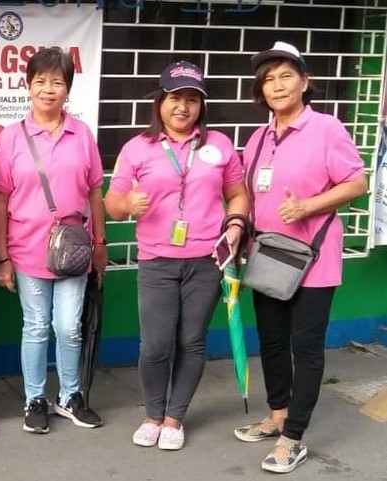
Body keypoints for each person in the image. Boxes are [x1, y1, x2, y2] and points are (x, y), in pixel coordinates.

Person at [233, 42, 367, 474]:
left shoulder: (326, 128)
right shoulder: (258, 136)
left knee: (304, 348)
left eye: (286, 75)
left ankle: (294, 438)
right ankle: (277, 415)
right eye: (268, 79)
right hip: (268, 258)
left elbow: (356, 182)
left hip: (313, 260)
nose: (277, 84)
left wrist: (308, 206)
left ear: (305, 82)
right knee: (271, 341)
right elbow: (249, 193)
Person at [104, 61, 249, 451]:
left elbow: (237, 193)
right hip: (156, 260)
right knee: (155, 344)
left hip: (206, 260)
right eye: (174, 98)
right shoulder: (138, 147)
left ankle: (175, 417)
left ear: (201, 105)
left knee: (191, 341)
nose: (182, 107)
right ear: (160, 102)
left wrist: (235, 223)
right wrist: (127, 202)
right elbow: (111, 204)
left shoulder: (218, 145)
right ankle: (153, 414)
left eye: (191, 100)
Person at [0, 47, 106, 435]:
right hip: (27, 249)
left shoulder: (82, 134)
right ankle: (34, 399)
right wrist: (2, 256)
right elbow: (1, 199)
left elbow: (94, 191)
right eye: (40, 81)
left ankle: (71, 396)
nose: (48, 89)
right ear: (27, 86)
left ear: (68, 89)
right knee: (36, 326)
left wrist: (101, 244)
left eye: (57, 82)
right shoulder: (10, 137)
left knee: (69, 327)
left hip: (74, 251)